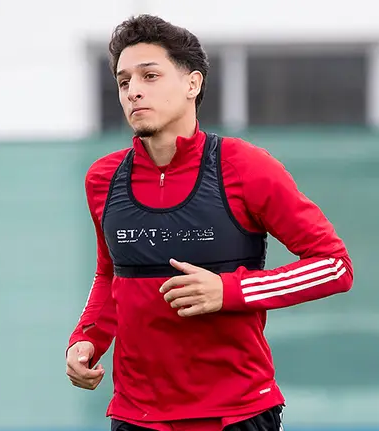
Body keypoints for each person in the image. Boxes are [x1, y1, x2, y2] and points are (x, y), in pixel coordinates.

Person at [64, 14, 354, 431]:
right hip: (136, 417)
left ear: (192, 84)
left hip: (237, 414)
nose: (133, 91)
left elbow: (335, 266)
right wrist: (87, 337)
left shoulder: (245, 166)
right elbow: (111, 275)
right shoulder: (102, 179)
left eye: (150, 75)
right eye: (124, 81)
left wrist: (230, 290)